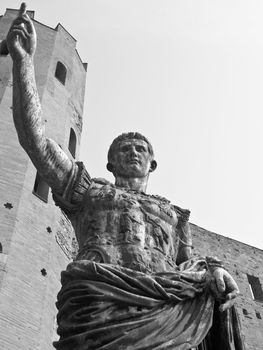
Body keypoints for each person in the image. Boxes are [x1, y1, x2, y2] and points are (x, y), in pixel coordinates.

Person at [7, 4, 244, 350]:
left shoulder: (175, 216)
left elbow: (189, 267)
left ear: (152, 164)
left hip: (168, 315)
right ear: (110, 163)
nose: (133, 151)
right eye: (124, 148)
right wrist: (25, 63)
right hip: (97, 307)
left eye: (140, 148)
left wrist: (215, 273)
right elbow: (36, 143)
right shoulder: (89, 191)